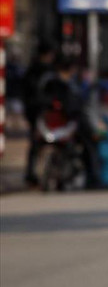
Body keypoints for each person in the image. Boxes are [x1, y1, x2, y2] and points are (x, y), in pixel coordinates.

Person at [21, 41, 59, 188]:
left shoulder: (31, 70)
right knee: (41, 142)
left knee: (35, 144)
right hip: (44, 111)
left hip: (33, 111)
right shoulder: (48, 72)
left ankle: (32, 174)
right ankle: (40, 173)